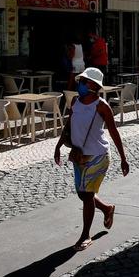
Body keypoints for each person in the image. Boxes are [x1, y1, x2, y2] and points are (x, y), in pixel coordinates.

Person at [54, 67, 129, 251]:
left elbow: (113, 131)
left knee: (87, 195)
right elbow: (68, 126)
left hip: (98, 155)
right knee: (82, 193)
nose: (80, 84)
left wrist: (123, 158)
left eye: (84, 81)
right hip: (79, 155)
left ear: (94, 85)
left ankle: (85, 235)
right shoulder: (75, 101)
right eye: (81, 81)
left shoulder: (102, 106)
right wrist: (58, 146)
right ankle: (106, 208)